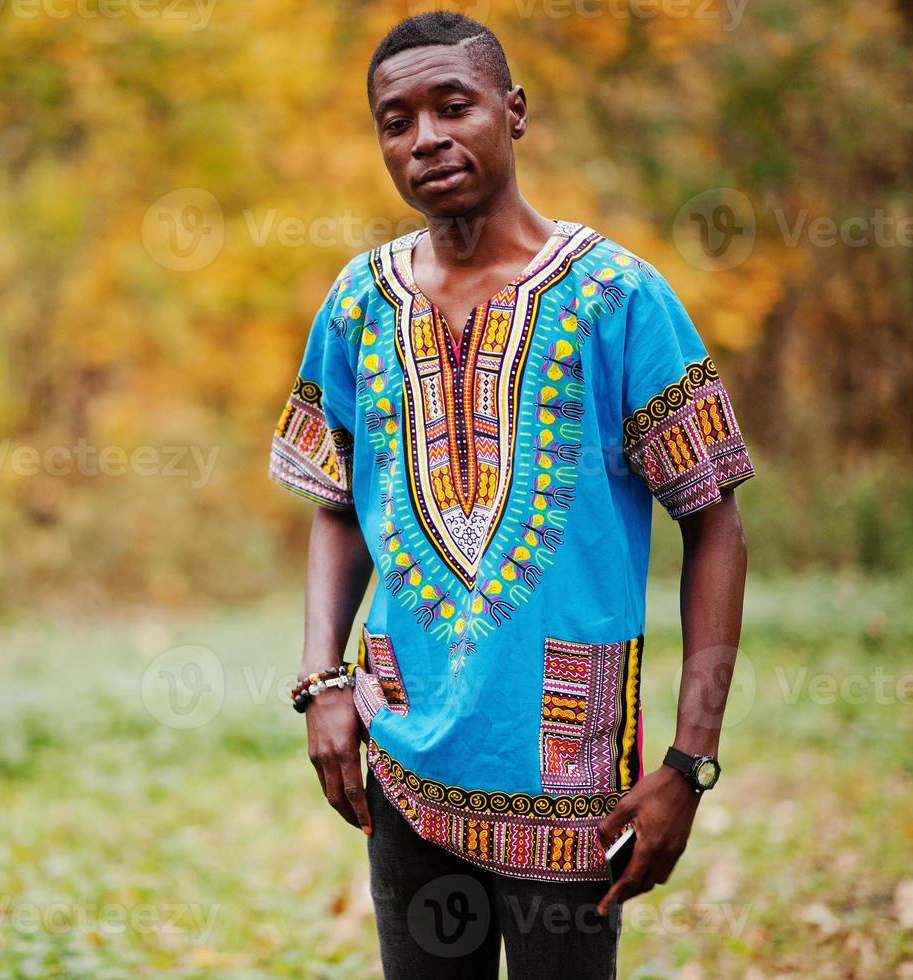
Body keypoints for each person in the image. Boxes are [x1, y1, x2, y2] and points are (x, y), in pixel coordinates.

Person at [269, 12, 752, 979]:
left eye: (454, 106)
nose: (426, 139)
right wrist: (323, 681)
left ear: (513, 112)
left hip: (568, 775)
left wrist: (688, 767)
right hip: (401, 755)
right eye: (395, 121)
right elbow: (337, 500)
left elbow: (713, 520)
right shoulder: (357, 302)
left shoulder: (620, 297)